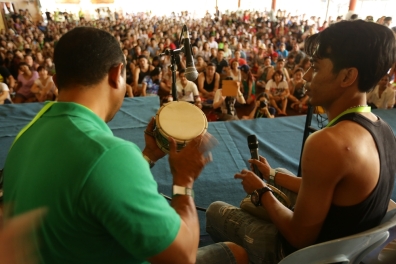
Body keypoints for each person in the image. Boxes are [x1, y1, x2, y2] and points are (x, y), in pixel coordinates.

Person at [3, 27, 248, 264]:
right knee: (235, 253)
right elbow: (184, 256)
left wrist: (149, 155)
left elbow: (90, 187)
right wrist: (184, 181)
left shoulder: (25, 135)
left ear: (57, 81)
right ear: (116, 73)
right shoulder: (108, 154)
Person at [206, 20, 396, 263]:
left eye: (315, 68)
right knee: (281, 173)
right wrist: (271, 175)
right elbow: (331, 188)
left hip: (304, 254)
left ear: (348, 76)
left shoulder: (328, 143)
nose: (306, 76)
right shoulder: (385, 129)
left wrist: (262, 192)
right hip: (350, 246)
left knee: (215, 211)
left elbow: (299, 237)